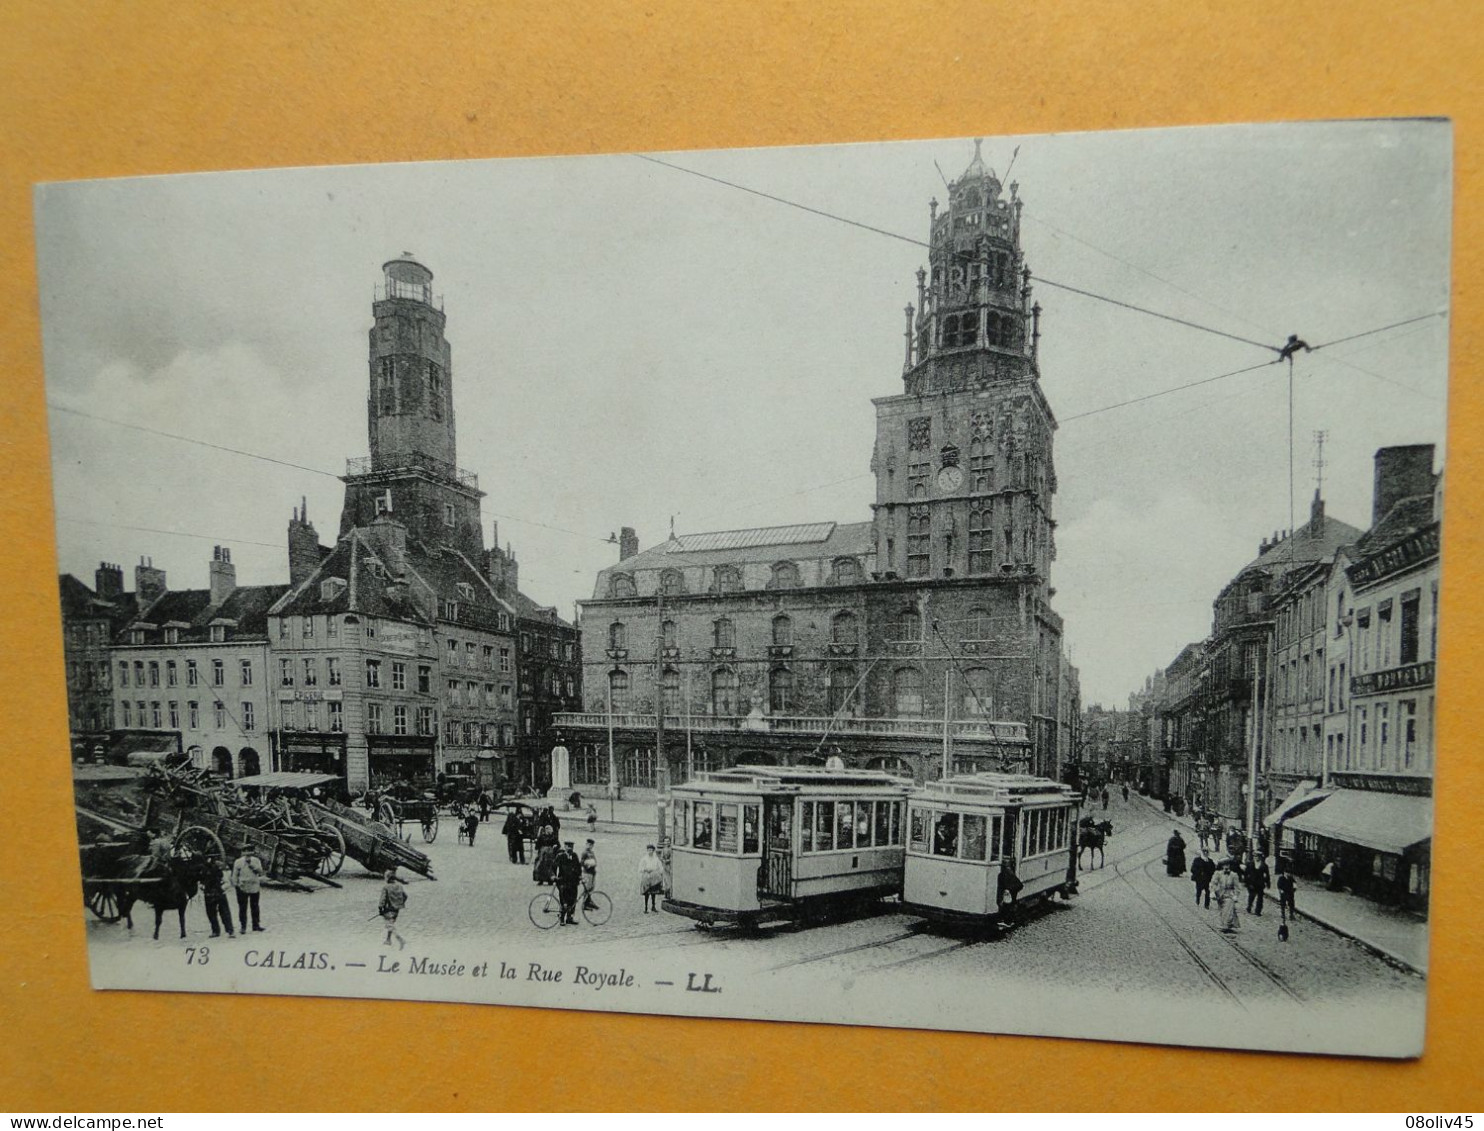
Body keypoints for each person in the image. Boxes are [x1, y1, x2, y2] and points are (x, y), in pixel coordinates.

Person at [231, 843, 266, 932]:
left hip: (254, 886)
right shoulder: (238, 862)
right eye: (245, 851)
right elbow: (235, 875)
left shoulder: (256, 861)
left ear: (253, 852)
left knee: (255, 907)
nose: (247, 853)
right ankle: (243, 926)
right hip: (242, 887)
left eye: (250, 851)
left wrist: (252, 865)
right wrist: (236, 885)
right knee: (242, 908)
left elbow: (261, 872)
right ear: (242, 852)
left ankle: (256, 925)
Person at [199, 853, 236, 938]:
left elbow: (227, 882)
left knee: (225, 913)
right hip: (209, 894)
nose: (209, 860)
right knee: (211, 913)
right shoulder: (203, 870)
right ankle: (215, 931)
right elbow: (201, 882)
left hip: (219, 893)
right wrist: (203, 887)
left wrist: (221, 889)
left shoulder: (219, 870)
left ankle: (230, 931)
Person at [554, 841, 582, 925]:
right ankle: (562, 918)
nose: (570, 848)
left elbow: (578, 867)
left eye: (571, 847)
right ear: (565, 847)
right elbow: (553, 866)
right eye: (568, 847)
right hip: (563, 881)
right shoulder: (560, 856)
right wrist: (553, 876)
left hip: (573, 882)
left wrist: (580, 876)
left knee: (573, 900)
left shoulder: (574, 856)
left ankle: (570, 917)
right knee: (564, 901)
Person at [378, 870, 407, 950]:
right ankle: (388, 940)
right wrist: (400, 903)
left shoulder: (386, 887)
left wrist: (381, 909)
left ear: (387, 878)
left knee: (389, 925)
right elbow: (405, 896)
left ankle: (400, 939)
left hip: (389, 909)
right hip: (397, 909)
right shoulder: (399, 886)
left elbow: (382, 900)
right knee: (391, 923)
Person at [1213, 860, 1241, 933]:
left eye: (1227, 865)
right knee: (1223, 910)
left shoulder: (1234, 875)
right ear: (1222, 866)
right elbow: (1214, 883)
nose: (1226, 866)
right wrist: (1213, 891)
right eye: (1224, 865)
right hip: (1220, 894)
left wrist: (1235, 895)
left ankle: (1226, 925)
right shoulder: (1218, 874)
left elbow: (1237, 887)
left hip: (1230, 895)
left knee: (1228, 909)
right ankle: (1228, 924)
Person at [639, 845, 665, 913]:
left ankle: (653, 906)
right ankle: (646, 907)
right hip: (647, 876)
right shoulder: (644, 859)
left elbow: (660, 867)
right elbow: (640, 868)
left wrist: (659, 873)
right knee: (646, 893)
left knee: (654, 893)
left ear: (653, 851)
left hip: (654, 877)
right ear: (647, 851)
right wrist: (645, 869)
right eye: (649, 850)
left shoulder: (656, 859)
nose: (650, 851)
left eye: (651, 850)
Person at [580, 839, 599, 910]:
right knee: (587, 888)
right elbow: (581, 862)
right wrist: (587, 865)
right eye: (588, 844)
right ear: (586, 844)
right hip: (587, 872)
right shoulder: (584, 853)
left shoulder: (592, 853)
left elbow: (595, 861)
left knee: (591, 887)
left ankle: (589, 901)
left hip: (592, 872)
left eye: (591, 845)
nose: (589, 846)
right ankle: (585, 903)